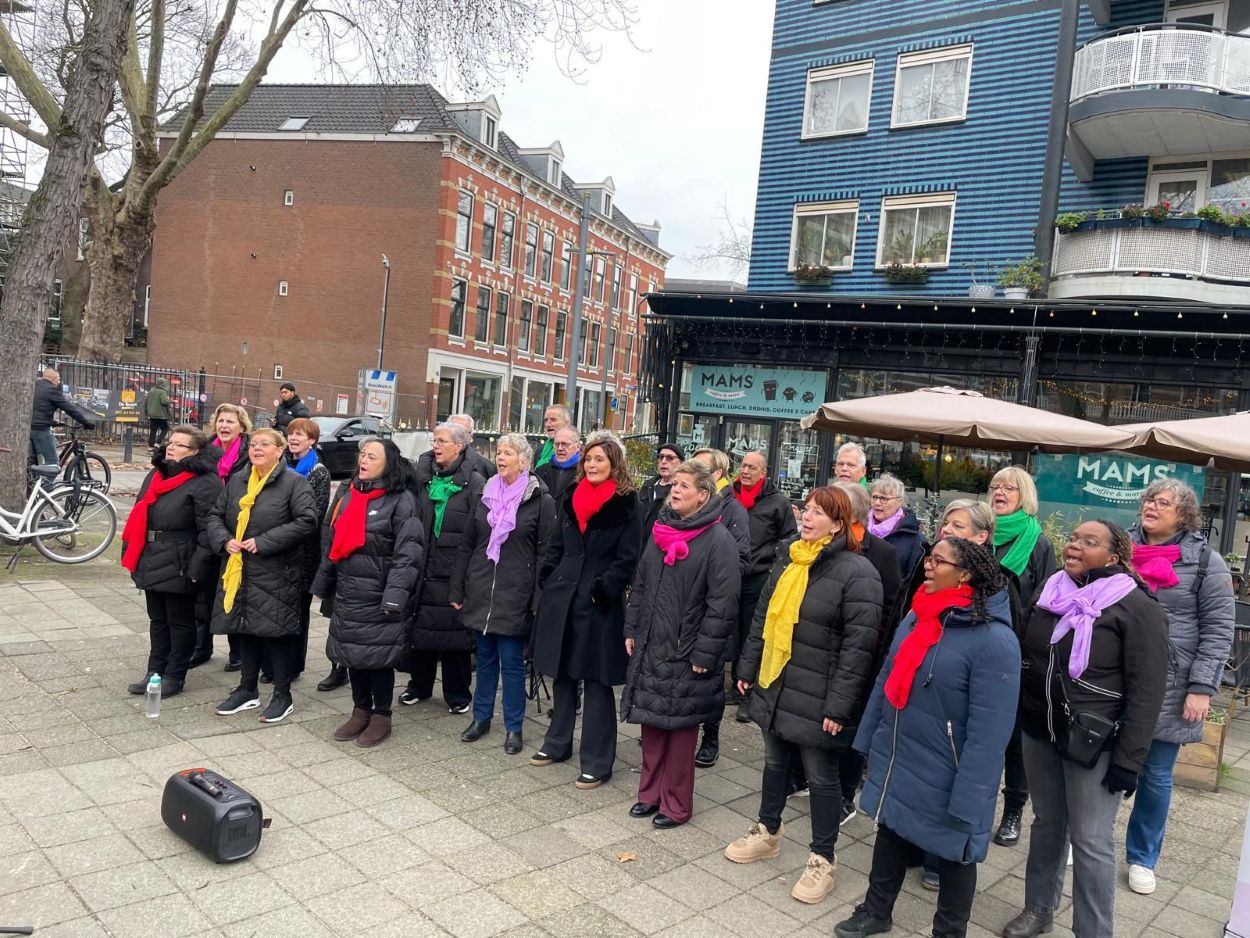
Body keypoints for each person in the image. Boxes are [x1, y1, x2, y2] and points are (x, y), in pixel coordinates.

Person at [836, 538, 1019, 938]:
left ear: (965, 574)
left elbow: (991, 733)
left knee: (956, 852)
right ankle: (876, 912)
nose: (927, 566)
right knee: (892, 830)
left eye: (938, 560)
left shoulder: (995, 641)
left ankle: (949, 932)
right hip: (902, 752)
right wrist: (869, 740)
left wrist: (972, 795)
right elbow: (887, 681)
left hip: (949, 768)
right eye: (929, 558)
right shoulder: (919, 614)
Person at [1002, 520, 1169, 938]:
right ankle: (1039, 910)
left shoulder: (1136, 605)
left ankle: (1093, 931)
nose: (1075, 545)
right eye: (1074, 538)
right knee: (1047, 823)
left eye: (1089, 542)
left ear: (1114, 557)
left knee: (1091, 840)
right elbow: (1027, 653)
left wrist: (1129, 760)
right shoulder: (1051, 588)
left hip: (1095, 743)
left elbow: (1148, 691)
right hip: (1041, 729)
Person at [727, 486, 882, 904]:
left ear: (838, 524)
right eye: (806, 509)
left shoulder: (858, 573)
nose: (807, 517)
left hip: (819, 693)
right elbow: (763, 618)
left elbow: (858, 650)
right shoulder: (790, 558)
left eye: (818, 512)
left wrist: (840, 706)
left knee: (821, 776)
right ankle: (768, 830)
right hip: (777, 682)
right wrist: (748, 669)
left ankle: (822, 859)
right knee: (775, 762)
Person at [1123, 479, 1234, 895]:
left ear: (1183, 514)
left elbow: (1219, 629)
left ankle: (1142, 857)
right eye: (1149, 499)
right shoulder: (1119, 547)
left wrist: (1202, 687)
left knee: (1154, 774)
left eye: (1163, 502)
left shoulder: (1206, 562)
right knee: (1098, 760)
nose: (1152, 506)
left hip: (1170, 682)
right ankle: (1088, 837)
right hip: (1116, 674)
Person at [621, 460, 740, 828]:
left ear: (703, 495)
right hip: (652, 643)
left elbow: (723, 604)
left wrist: (706, 652)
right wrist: (631, 628)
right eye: (675, 484)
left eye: (684, 486)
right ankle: (649, 794)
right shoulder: (662, 529)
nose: (675, 490)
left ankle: (675, 804)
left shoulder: (718, 540)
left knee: (681, 731)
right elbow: (641, 584)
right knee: (652, 724)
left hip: (687, 649)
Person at [531, 433, 641, 788]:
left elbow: (629, 556)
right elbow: (556, 544)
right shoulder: (571, 495)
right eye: (589, 459)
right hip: (563, 595)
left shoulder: (626, 502)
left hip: (598, 601)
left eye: (599, 460)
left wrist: (603, 588)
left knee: (596, 681)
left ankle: (597, 760)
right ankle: (557, 743)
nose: (592, 465)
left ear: (614, 464)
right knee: (563, 674)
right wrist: (548, 575)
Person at [312, 439, 424, 748]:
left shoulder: (402, 501)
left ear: (388, 464)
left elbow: (408, 554)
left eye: (372, 456)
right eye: (362, 454)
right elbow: (333, 542)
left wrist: (395, 596)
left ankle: (381, 716)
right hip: (349, 591)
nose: (363, 460)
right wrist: (324, 584)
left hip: (380, 593)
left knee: (378, 658)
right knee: (353, 654)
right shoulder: (351, 493)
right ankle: (360, 710)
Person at [207, 428, 318, 724]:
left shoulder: (294, 483)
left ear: (279, 451)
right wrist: (224, 540)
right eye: (254, 444)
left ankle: (282, 695)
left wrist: (264, 541)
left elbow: (307, 521)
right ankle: (247, 689)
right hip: (239, 570)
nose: (256, 448)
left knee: (276, 634)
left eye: (265, 444)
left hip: (276, 571)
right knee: (245, 629)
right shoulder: (238, 480)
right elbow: (215, 515)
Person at [453, 433, 557, 753]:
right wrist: (458, 586)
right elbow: (468, 543)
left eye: (508, 453)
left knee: (512, 663)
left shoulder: (540, 499)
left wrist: (538, 598)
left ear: (524, 461)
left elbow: (546, 554)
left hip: (516, 593)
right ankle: (480, 718)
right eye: (499, 452)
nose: (500, 457)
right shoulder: (485, 493)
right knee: (485, 659)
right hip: (482, 588)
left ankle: (514, 727)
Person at [121, 425, 223, 698]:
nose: (171, 447)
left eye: (179, 444)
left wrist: (199, 566)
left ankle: (175, 675)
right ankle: (154, 671)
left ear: (195, 451)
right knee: (157, 619)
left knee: (180, 621)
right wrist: (132, 552)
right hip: (151, 556)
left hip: (181, 559)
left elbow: (208, 529)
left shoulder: (206, 482)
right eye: (170, 442)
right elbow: (139, 513)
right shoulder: (157, 474)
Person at [987, 466, 1055, 849]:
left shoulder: (1038, 543)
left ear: (1024, 496)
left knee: (1016, 740)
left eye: (1009, 488)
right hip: (978, 645)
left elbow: (1046, 600)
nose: (1000, 492)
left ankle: (1013, 809)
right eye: (995, 486)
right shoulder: (981, 530)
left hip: (1017, 651)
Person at [832, 480, 902, 824]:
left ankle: (845, 793)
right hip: (823, 650)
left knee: (851, 723)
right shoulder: (821, 545)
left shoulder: (883, 553)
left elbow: (889, 608)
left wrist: (869, 645)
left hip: (861, 652)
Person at [403, 422, 484, 712]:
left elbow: (478, 532)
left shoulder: (474, 482)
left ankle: (458, 694)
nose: (435, 446)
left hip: (453, 570)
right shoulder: (422, 478)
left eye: (442, 441)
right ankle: (419, 686)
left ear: (458, 446)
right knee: (421, 629)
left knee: (455, 634)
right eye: (434, 440)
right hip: (422, 565)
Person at [192, 403, 254, 672]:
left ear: (242, 426)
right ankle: (201, 647)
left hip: (236, 530)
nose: (224, 426)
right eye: (221, 421)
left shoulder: (249, 454)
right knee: (202, 592)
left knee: (234, 591)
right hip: (207, 527)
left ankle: (237, 652)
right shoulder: (205, 451)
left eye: (230, 421)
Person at [284, 418, 332, 683]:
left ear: (311, 440)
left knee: (299, 609)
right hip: (280, 550)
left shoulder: (318, 471)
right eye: (291, 433)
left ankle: (294, 664)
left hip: (304, 552)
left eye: (299, 434)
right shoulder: (282, 464)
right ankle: (275, 662)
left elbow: (315, 513)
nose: (293, 438)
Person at [30, 367, 95, 466]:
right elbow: (70, 409)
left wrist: (51, 422)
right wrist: (86, 422)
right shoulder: (52, 390)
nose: (59, 382)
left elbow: (38, 408)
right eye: (58, 379)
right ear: (53, 379)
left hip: (28, 427)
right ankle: (48, 475)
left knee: (39, 455)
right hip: (40, 429)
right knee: (52, 461)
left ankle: (35, 474)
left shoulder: (34, 385)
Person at [868, 473, 925, 582]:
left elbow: (911, 581)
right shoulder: (860, 526)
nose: (877, 503)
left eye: (884, 498)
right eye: (875, 497)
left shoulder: (914, 539)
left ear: (899, 502)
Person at [639, 442, 683, 535]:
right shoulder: (647, 486)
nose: (663, 461)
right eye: (661, 457)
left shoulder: (679, 491)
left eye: (670, 458)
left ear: (681, 463)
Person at [535, 426, 582, 502]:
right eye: (557, 444)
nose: (560, 448)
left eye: (565, 444)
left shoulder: (584, 473)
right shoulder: (541, 471)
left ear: (578, 446)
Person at [448, 413, 495, 479]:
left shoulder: (486, 467)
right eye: (454, 431)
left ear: (471, 436)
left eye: (463, 432)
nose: (458, 435)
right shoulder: (433, 461)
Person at [535, 404, 573, 468]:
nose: (548, 424)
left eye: (553, 420)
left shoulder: (574, 450)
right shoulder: (540, 450)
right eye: (546, 420)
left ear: (566, 423)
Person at [145, 377, 174, 448]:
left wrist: (146, 412)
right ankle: (158, 442)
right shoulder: (163, 391)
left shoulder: (151, 391)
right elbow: (164, 401)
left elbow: (146, 402)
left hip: (152, 414)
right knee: (166, 428)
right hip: (161, 415)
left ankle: (151, 446)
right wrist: (171, 401)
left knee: (153, 430)